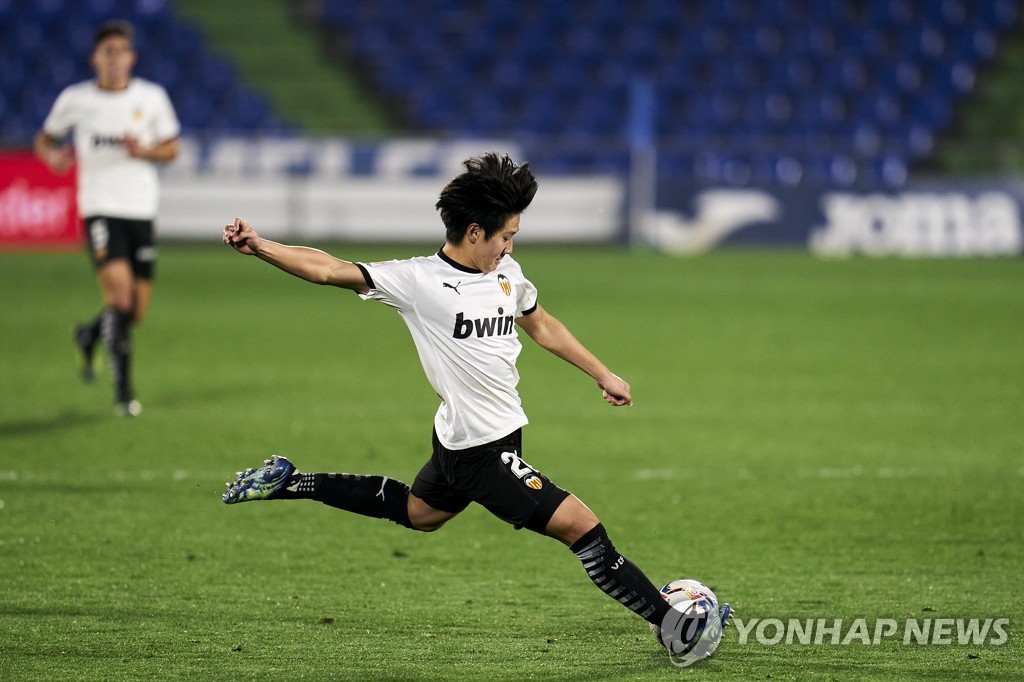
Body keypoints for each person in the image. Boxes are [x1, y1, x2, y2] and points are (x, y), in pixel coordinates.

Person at [221, 153, 730, 650]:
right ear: (473, 233)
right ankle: (676, 627)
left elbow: (541, 324)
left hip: (462, 436)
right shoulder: (420, 281)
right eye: (505, 236)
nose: (508, 246)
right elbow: (329, 269)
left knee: (421, 513)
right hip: (480, 451)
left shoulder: (506, 275)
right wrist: (261, 245)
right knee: (583, 528)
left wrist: (602, 373)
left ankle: (291, 482)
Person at [34, 19, 181, 416]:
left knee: (135, 310)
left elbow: (172, 149)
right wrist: (54, 158)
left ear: (131, 58)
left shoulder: (151, 98)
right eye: (108, 52)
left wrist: (145, 151)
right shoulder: (76, 99)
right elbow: (45, 140)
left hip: (141, 209)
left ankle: (88, 333)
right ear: (95, 58)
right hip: (99, 208)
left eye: (121, 52)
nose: (115, 59)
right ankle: (123, 393)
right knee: (118, 297)